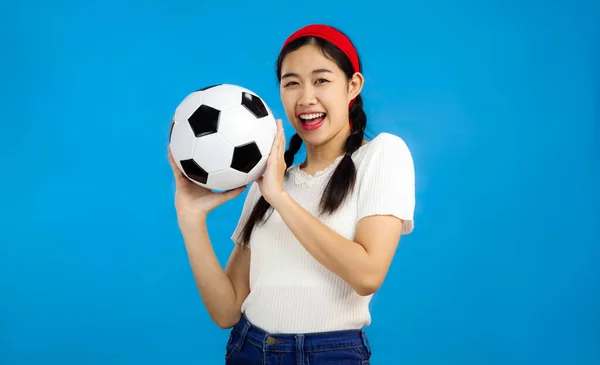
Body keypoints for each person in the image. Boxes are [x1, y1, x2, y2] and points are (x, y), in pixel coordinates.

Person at [167, 24, 416, 365]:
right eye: (291, 83)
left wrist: (280, 198)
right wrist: (190, 218)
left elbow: (367, 275)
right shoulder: (269, 178)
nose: (306, 98)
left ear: (353, 86)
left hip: (329, 355)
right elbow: (226, 311)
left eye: (321, 80)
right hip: (248, 349)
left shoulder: (382, 154)